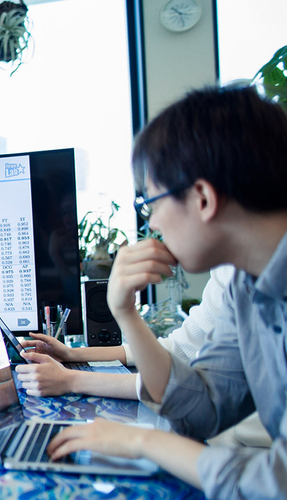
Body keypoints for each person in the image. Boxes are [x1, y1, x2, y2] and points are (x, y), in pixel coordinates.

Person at [45, 86, 287, 499]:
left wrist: (143, 441)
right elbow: (202, 410)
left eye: (152, 202)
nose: (153, 223)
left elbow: (275, 482)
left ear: (203, 198)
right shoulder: (244, 286)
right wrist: (125, 312)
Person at [14, 265, 232, 399]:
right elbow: (179, 350)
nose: (153, 224)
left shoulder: (236, 276)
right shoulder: (227, 272)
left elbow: (184, 388)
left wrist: (70, 380)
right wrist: (72, 354)